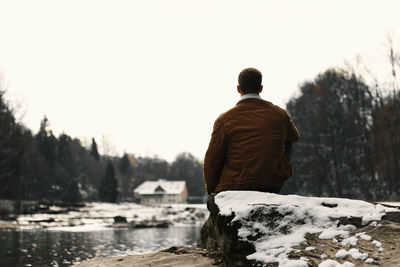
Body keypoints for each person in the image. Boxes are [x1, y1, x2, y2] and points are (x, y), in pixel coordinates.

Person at [203, 68, 300, 194]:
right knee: (287, 142)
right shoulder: (279, 114)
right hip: (271, 184)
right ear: (261, 88)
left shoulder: (225, 120)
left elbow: (211, 161)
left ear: (238, 89)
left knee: (221, 151)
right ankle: (272, 179)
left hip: (236, 185)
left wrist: (212, 192)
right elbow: (294, 137)